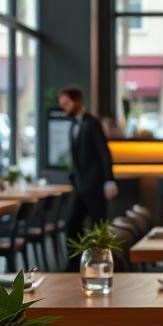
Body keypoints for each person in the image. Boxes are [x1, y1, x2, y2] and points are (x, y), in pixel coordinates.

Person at [59, 86, 118, 252]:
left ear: (78, 102)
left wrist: (109, 181)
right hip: (80, 186)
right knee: (72, 224)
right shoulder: (73, 126)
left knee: (98, 227)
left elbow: (104, 153)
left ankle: (101, 261)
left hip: (95, 186)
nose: (64, 107)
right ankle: (74, 264)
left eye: (66, 103)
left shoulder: (92, 123)